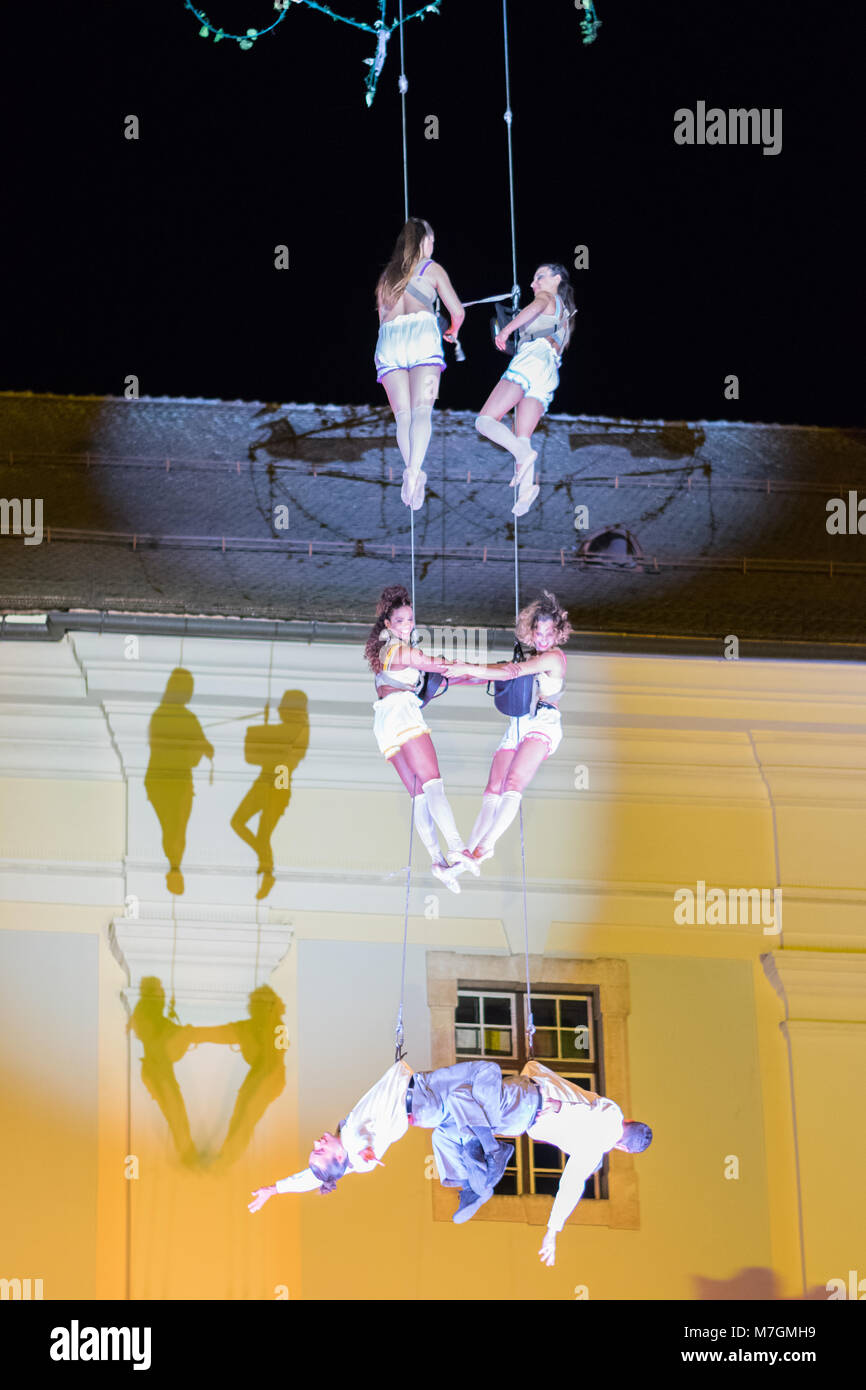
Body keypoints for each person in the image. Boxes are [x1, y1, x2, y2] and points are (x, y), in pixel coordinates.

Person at [248, 1057, 652, 1268]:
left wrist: (277, 1188)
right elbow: (570, 1187)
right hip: (491, 1105)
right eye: (320, 1149)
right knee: (472, 1088)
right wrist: (553, 1229)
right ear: (620, 1147)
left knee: (450, 1126)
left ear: (628, 1121)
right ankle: (487, 1158)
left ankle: (468, 1180)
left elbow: (322, 1171)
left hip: (519, 1107)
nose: (318, 1142)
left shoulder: (602, 1108)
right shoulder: (591, 1152)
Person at [365, 584, 487, 892]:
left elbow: (444, 676)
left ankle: (437, 860)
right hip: (401, 713)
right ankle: (456, 846)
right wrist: (486, 669)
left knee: (419, 794)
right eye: (402, 620)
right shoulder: (401, 651)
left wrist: (486, 676)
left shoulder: (390, 651)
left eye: (411, 619)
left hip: (385, 722)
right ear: (388, 624)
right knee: (433, 783)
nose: (408, 625)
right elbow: (440, 666)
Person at [445, 591, 571, 863]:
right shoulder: (529, 655)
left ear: (558, 633)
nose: (544, 639)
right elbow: (497, 670)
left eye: (550, 633)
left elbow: (509, 673)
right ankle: (469, 852)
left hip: (544, 722)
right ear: (531, 632)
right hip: (520, 722)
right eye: (540, 633)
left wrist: (468, 667)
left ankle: (486, 846)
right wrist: (452, 675)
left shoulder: (554, 657)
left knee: (513, 783)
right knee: (492, 789)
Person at [375, 217, 464, 511]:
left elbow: (381, 319)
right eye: (432, 241)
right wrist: (452, 331)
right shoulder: (431, 268)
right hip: (422, 337)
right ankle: (414, 469)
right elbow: (458, 311)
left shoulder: (386, 277)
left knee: (403, 416)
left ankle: (412, 471)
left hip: (389, 341)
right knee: (422, 411)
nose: (433, 246)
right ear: (424, 241)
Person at [475, 263, 576, 516]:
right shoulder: (565, 314)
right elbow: (537, 321)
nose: (534, 284)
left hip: (532, 360)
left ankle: (523, 455)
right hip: (549, 371)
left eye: (539, 277)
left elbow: (536, 307)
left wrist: (507, 330)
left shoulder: (547, 297)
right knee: (522, 435)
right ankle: (526, 491)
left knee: (485, 421)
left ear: (556, 278)